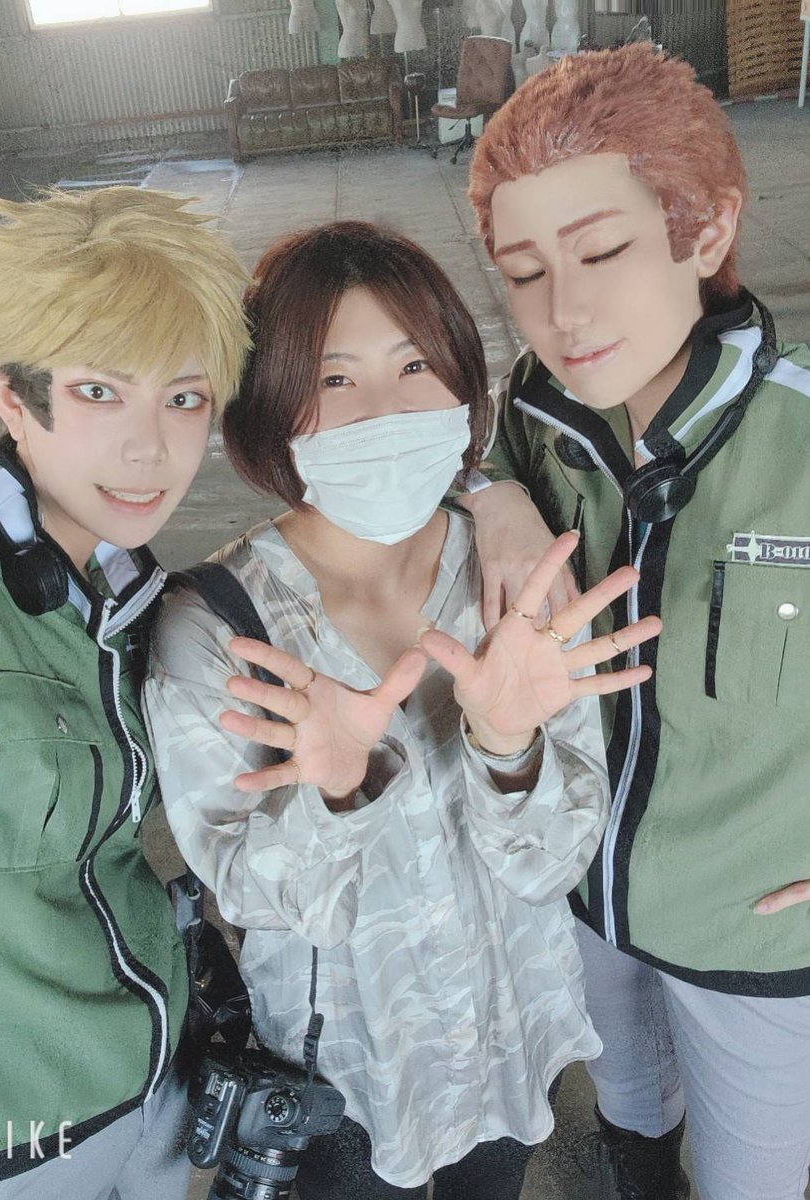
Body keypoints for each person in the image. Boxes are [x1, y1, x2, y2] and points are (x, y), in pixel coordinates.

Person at [142, 220, 661, 1200]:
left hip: (508, 1034)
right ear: (271, 405)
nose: (385, 408)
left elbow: (554, 863)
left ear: (463, 378)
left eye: (416, 363)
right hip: (346, 1070)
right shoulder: (216, 630)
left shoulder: (517, 579)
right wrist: (339, 794)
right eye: (334, 377)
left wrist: (507, 746)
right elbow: (255, 896)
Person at [462, 42, 810, 1200]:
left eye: (603, 251)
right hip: (583, 894)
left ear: (706, 232)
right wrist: (491, 495)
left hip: (753, 935)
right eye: (523, 272)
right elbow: (443, 446)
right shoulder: (534, 416)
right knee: (627, 1102)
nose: (563, 312)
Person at [0, 186, 249, 1199]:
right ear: (12, 398)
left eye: (183, 398)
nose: (151, 448)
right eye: (101, 390)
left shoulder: (135, 594)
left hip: (159, 1093)